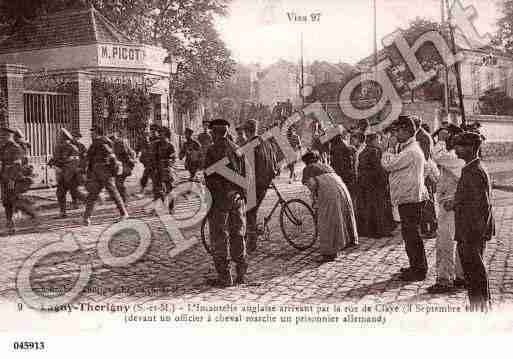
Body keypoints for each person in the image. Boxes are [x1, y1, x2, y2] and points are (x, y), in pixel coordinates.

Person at [449, 132, 494, 311]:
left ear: (470, 148)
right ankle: (481, 303)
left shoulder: (474, 171)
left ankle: (480, 305)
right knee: (473, 268)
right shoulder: (472, 167)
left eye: (459, 146)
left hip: (471, 230)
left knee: (474, 268)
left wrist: (472, 234)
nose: (456, 149)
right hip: (472, 228)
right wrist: (455, 202)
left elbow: (481, 205)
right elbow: (472, 199)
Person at [381, 115, 429, 282]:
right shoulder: (408, 148)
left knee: (412, 236)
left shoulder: (410, 151)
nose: (395, 135)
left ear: (408, 131)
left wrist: (389, 149)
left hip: (410, 199)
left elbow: (388, 165)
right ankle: (416, 266)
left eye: (398, 131)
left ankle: (419, 270)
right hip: (409, 197)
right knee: (410, 235)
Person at [204, 118, 247, 287]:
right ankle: (241, 274)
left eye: (212, 133)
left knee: (219, 237)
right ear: (227, 132)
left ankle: (225, 277)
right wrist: (241, 194)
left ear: (215, 133)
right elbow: (245, 175)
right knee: (238, 234)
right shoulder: (237, 149)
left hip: (220, 201)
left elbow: (209, 177)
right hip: (236, 199)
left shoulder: (212, 150)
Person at [427, 124, 466, 294]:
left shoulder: (456, 158)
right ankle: (460, 276)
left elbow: (437, 155)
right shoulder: (453, 158)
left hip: (451, 206)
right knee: (455, 243)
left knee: (446, 243)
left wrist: (441, 140)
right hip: (450, 204)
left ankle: (445, 280)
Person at [302, 151, 358, 263]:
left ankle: (329, 253)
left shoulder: (309, 168)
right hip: (342, 190)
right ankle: (342, 243)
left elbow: (312, 185)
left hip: (329, 193)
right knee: (338, 219)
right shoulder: (326, 165)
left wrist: (314, 199)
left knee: (327, 221)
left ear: (306, 162)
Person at [243, 119, 279, 254]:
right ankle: (253, 234)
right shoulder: (267, 143)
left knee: (249, 212)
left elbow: (246, 168)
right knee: (253, 210)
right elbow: (274, 162)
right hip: (265, 183)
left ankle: (251, 243)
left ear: (247, 132)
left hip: (255, 185)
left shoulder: (250, 145)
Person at [83, 127, 128, 225]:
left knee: (111, 193)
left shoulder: (100, 142)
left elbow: (110, 156)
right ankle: (86, 218)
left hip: (103, 172)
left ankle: (124, 213)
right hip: (99, 172)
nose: (91, 134)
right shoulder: (103, 142)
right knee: (94, 194)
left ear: (97, 133)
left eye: (92, 133)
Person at [0, 128, 37, 234]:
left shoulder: (16, 148)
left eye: (5, 135)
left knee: (13, 200)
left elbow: (17, 165)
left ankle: (26, 214)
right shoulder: (3, 147)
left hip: (13, 178)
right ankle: (10, 221)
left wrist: (12, 178)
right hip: (4, 177)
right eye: (1, 135)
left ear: (11, 136)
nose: (2, 137)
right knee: (6, 201)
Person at [357, 133, 392, 238]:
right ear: (373, 141)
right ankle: (379, 231)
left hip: (365, 183)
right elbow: (379, 169)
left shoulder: (363, 152)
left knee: (369, 207)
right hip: (375, 183)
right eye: (377, 140)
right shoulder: (375, 151)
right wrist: (385, 181)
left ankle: (370, 230)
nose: (379, 142)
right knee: (379, 207)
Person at [49, 128, 86, 218]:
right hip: (70, 174)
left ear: (62, 137)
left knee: (67, 193)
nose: (58, 137)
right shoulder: (72, 146)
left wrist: (55, 164)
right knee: (69, 192)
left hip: (66, 174)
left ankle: (91, 200)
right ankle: (63, 212)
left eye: (60, 136)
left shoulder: (64, 146)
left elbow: (63, 159)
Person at [414, 116, 437, 238]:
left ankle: (432, 227)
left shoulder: (423, 137)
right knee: (422, 202)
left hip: (425, 173)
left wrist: (421, 174)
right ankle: (424, 227)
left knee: (428, 201)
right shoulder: (417, 136)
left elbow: (425, 157)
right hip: (419, 173)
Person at [151, 126, 176, 213]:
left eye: (162, 133)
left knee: (170, 189)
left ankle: (171, 208)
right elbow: (153, 157)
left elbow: (173, 159)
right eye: (159, 133)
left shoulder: (170, 145)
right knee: (157, 189)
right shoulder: (155, 144)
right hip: (157, 169)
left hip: (167, 169)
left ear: (166, 134)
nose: (160, 134)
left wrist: (167, 163)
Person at [329, 127, 356, 200]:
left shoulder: (337, 146)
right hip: (344, 174)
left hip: (343, 175)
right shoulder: (340, 144)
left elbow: (340, 164)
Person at [110, 129, 136, 204]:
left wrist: (130, 162)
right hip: (121, 165)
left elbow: (126, 154)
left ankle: (125, 200)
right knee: (119, 183)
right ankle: (124, 199)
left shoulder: (120, 143)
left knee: (119, 183)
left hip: (123, 165)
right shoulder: (120, 142)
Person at [135, 130, 156, 196]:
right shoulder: (142, 142)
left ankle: (145, 190)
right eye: (145, 135)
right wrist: (137, 154)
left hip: (152, 162)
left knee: (148, 176)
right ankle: (147, 189)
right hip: (147, 161)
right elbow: (137, 149)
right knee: (150, 176)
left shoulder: (153, 142)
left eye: (147, 135)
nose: (146, 137)